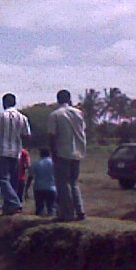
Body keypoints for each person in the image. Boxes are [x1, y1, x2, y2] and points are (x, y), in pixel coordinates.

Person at [0, 93, 31, 215]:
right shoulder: (22, 118)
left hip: (2, 151)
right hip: (16, 152)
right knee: (13, 180)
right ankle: (8, 208)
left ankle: (14, 203)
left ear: (4, 103)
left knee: (2, 178)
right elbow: (27, 135)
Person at [48, 89, 86, 221]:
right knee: (74, 183)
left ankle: (67, 213)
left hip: (62, 152)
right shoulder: (79, 113)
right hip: (78, 152)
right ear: (69, 99)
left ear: (58, 100)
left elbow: (52, 136)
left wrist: (53, 152)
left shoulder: (55, 115)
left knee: (63, 184)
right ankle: (80, 210)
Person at [27, 148, 56, 216]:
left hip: (38, 188)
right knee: (51, 208)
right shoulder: (53, 163)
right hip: (51, 188)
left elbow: (30, 176)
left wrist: (27, 189)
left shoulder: (35, 163)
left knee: (39, 209)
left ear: (40, 154)